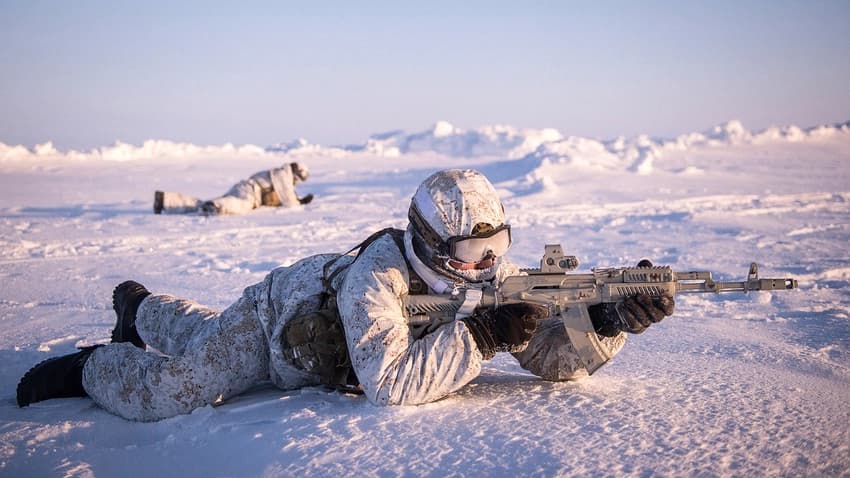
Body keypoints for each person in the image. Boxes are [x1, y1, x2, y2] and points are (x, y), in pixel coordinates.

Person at [16, 169, 674, 421]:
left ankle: (140, 308)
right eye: (475, 253)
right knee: (179, 388)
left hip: (309, 342)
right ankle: (95, 364)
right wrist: (485, 335)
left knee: (195, 332)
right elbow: (387, 383)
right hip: (276, 325)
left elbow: (547, 362)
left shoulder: (487, 272)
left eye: (498, 245)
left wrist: (605, 321)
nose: (490, 266)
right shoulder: (379, 279)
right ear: (430, 243)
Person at [153, 162, 313, 215]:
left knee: (202, 205)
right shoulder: (283, 174)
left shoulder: (279, 175)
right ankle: (217, 206)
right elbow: (288, 199)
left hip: (246, 188)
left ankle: (165, 200)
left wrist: (299, 200)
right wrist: (299, 203)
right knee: (240, 205)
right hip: (250, 193)